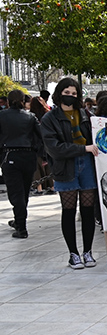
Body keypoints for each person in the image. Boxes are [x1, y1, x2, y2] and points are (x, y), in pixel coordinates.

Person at [41, 78, 100, 269]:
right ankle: (73, 253)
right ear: (59, 93)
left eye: (74, 94)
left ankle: (88, 251)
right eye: (67, 93)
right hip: (65, 166)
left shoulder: (85, 115)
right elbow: (55, 148)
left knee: (88, 210)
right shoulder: (49, 119)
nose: (71, 97)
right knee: (68, 210)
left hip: (87, 165)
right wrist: (83, 149)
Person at [1, 90, 42, 239]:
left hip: (10, 155)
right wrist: (38, 151)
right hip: (28, 156)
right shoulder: (30, 117)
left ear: (8, 101)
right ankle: (19, 221)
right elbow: (40, 135)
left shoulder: (2, 116)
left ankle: (21, 226)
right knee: (23, 192)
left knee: (16, 193)